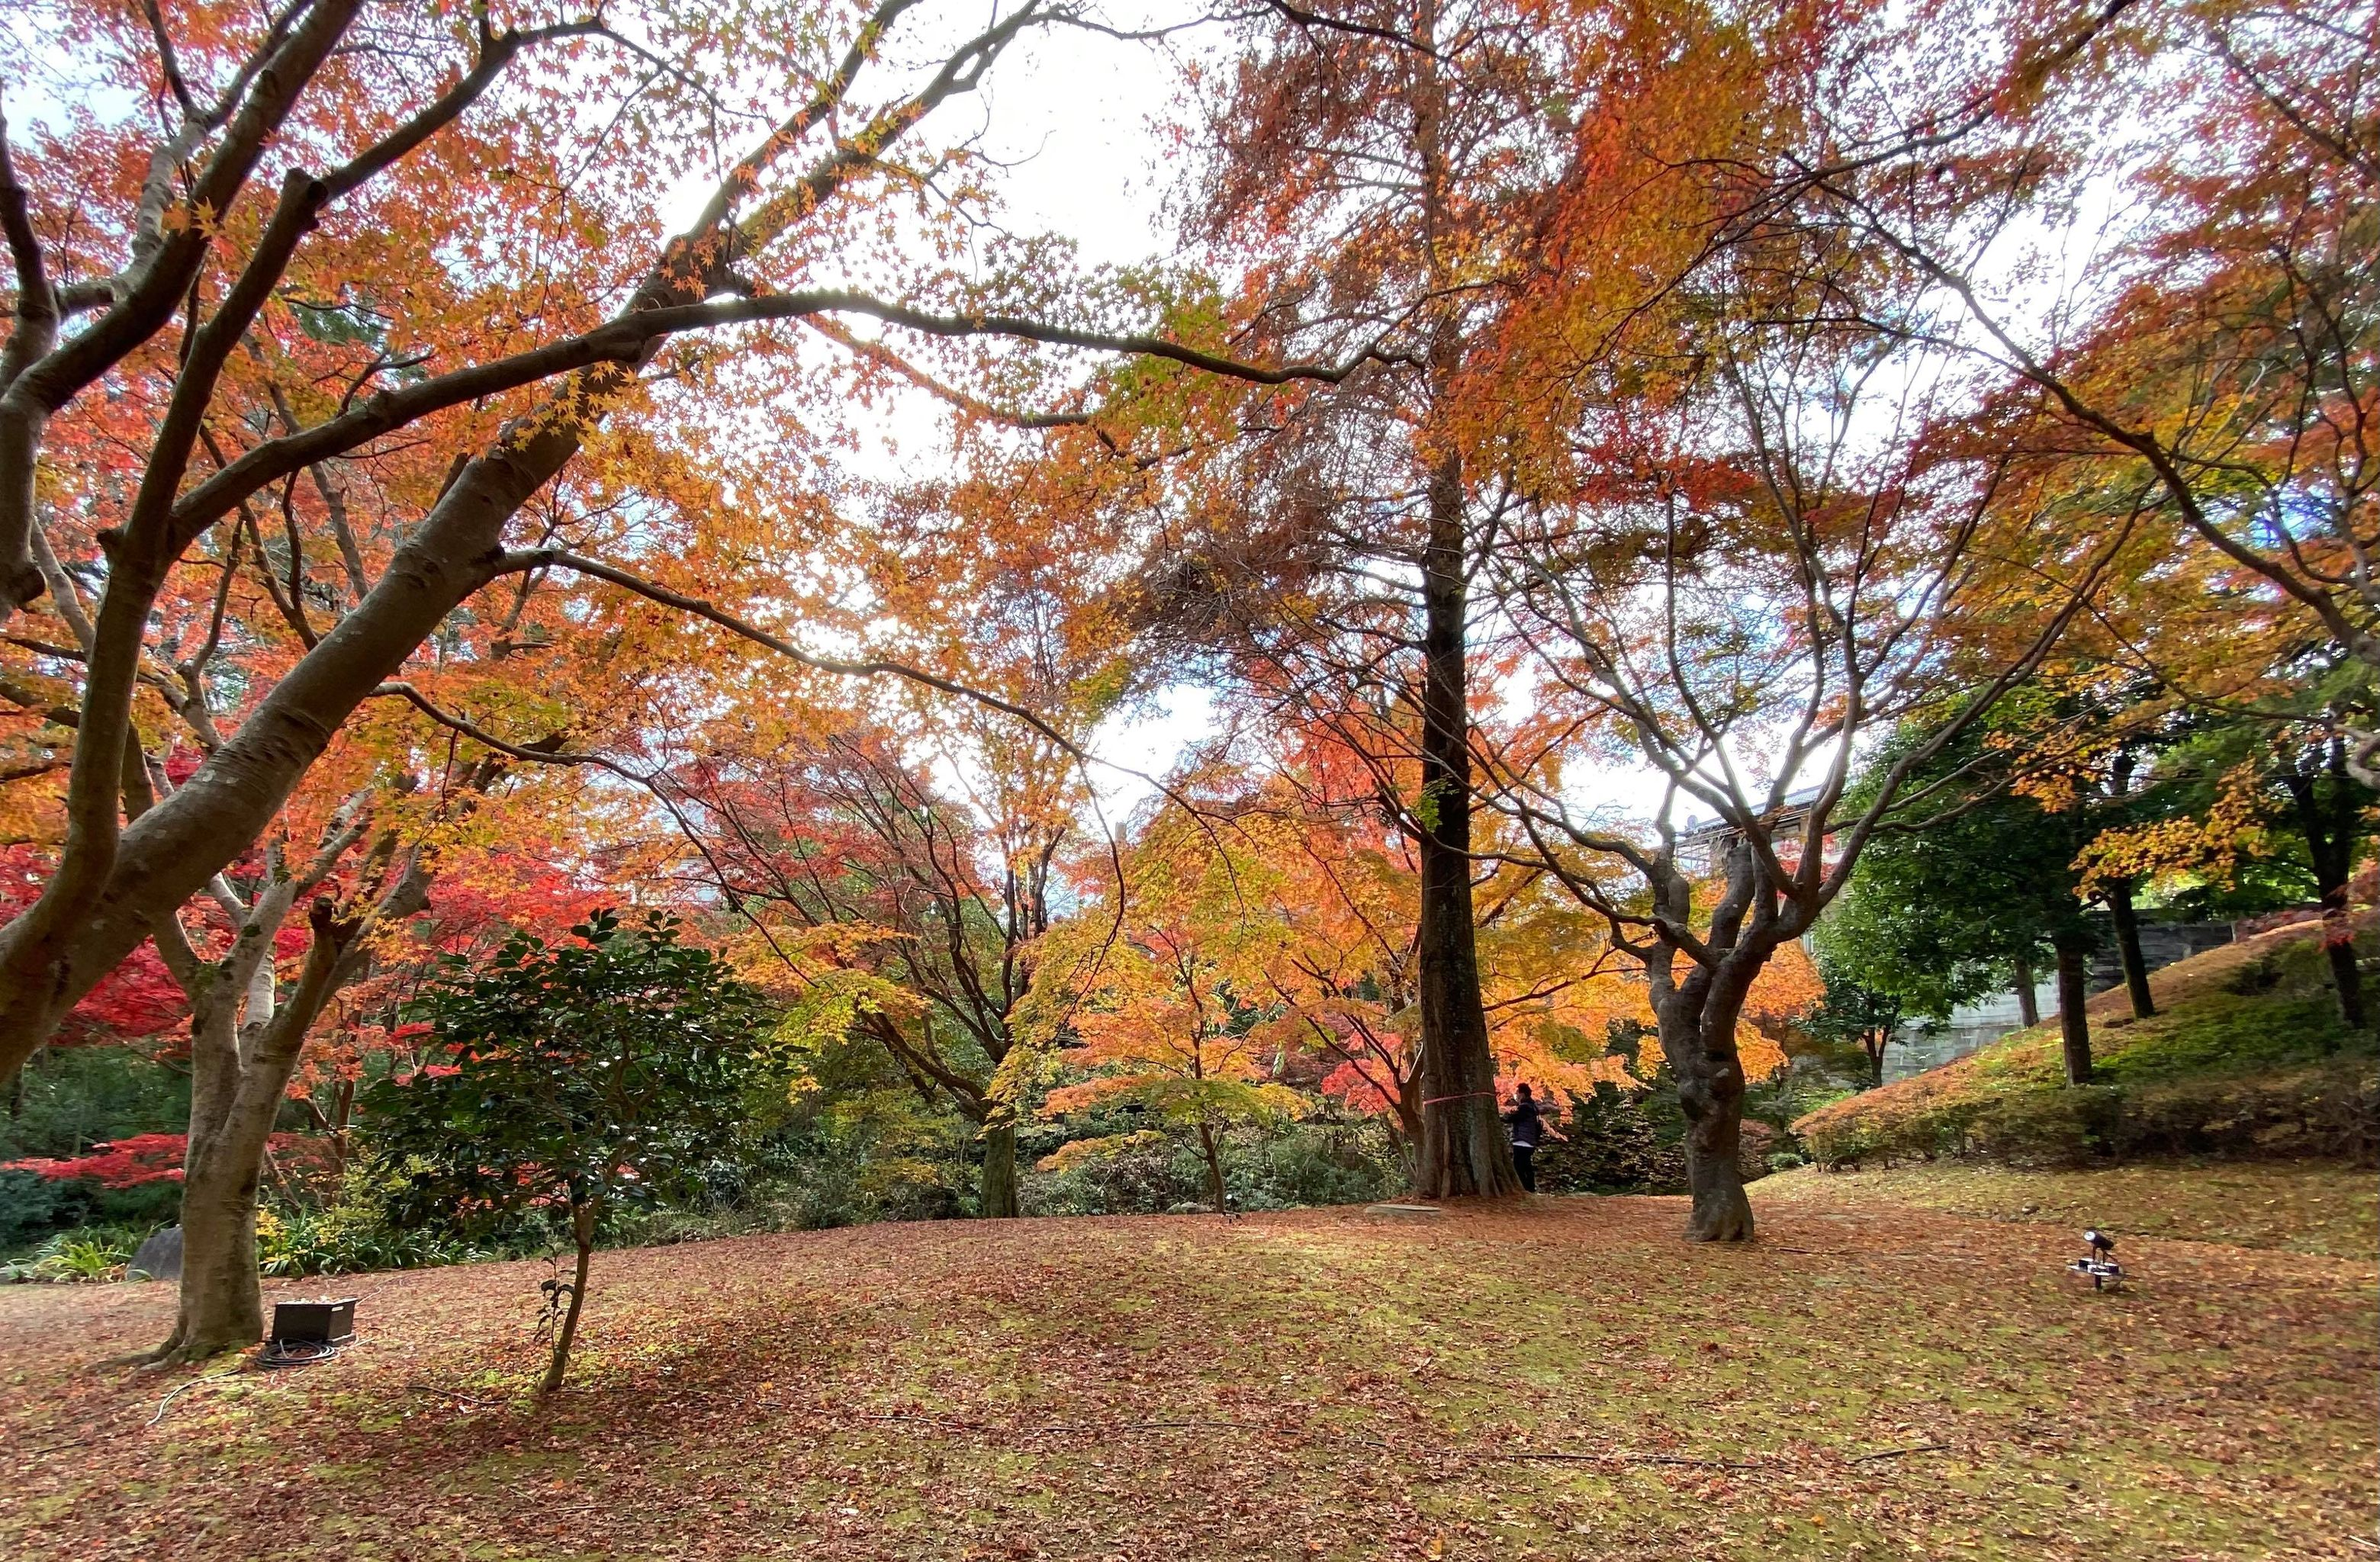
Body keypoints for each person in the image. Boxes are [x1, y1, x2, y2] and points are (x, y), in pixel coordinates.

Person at [1502, 1083, 1547, 1193]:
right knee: (1526, 1165)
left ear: (1522, 1094)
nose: (1516, 1095)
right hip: (1530, 1141)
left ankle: (1525, 1188)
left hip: (1523, 1140)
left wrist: (1505, 1116)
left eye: (1517, 1093)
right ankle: (1530, 1188)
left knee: (1519, 1166)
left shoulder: (1525, 1107)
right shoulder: (1533, 1107)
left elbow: (1513, 1118)